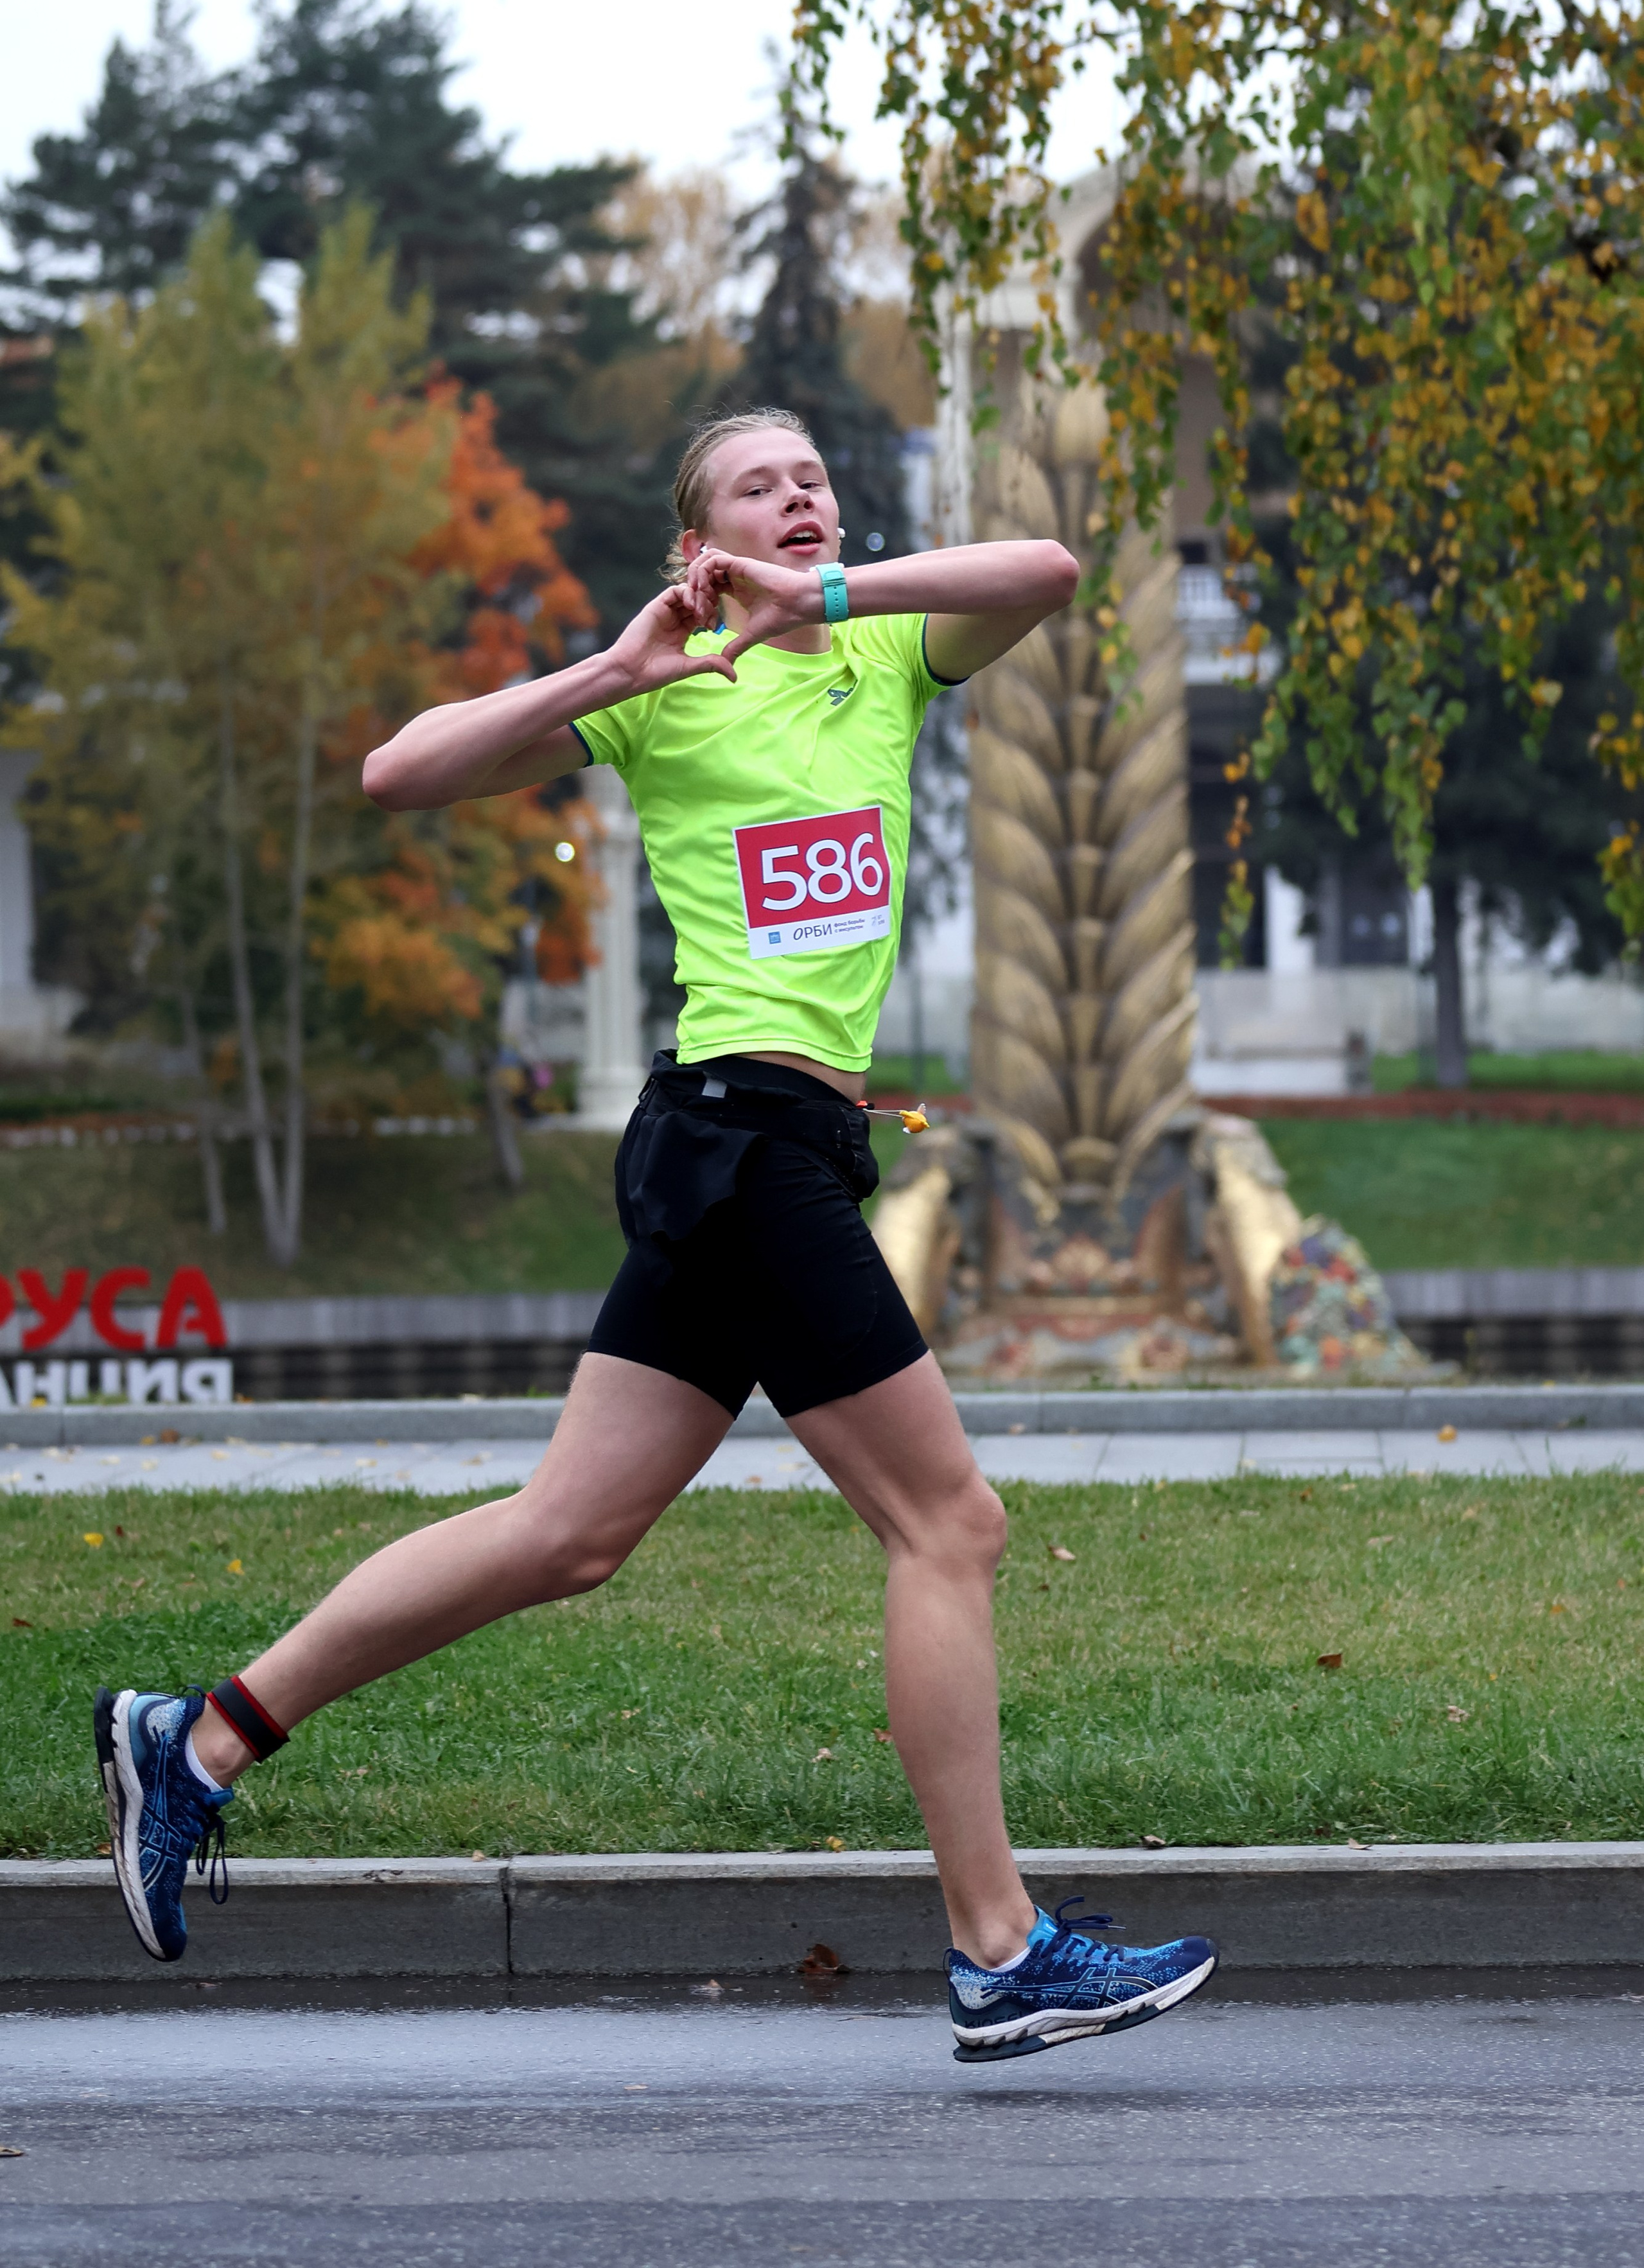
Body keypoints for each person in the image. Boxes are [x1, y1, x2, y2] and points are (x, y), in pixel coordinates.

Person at [94, 408, 1217, 2060]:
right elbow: (399, 771)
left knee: (568, 1535)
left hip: (775, 1147)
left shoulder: (885, 640)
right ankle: (996, 1950)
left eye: (815, 479)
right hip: (733, 1136)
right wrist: (612, 675)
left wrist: (820, 599)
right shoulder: (661, 690)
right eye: (763, 486)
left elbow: (1047, 569)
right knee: (949, 1526)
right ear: (695, 539)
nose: (805, 498)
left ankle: (199, 1739)